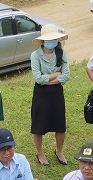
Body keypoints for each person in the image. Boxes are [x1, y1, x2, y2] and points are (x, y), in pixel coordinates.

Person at [30, 24, 70, 167]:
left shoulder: (61, 53)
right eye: (49, 39)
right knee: (38, 125)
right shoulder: (35, 56)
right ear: (42, 41)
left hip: (56, 94)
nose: (52, 42)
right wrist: (55, 75)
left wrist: (49, 80)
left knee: (60, 124)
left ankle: (59, 151)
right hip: (41, 94)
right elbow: (38, 78)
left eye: (54, 39)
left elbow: (66, 76)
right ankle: (40, 153)